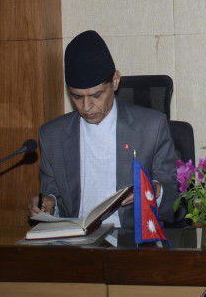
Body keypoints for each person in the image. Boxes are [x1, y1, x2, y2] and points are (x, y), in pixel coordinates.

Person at [29, 30, 179, 228]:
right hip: (75, 238)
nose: (86, 107)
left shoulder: (151, 127)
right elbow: (53, 197)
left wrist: (156, 191)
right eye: (76, 97)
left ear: (115, 81)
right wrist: (50, 205)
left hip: (130, 238)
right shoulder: (52, 136)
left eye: (96, 95)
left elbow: (176, 202)